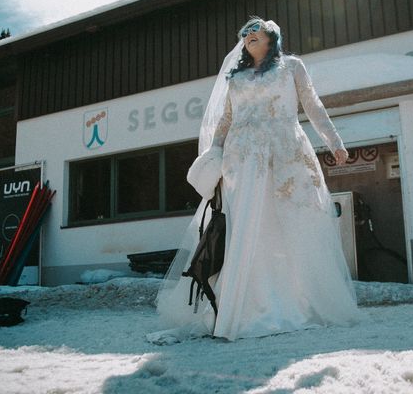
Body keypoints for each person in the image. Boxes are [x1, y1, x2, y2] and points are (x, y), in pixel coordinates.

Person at [148, 17, 362, 343]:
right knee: (245, 226)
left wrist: (335, 142)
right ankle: (240, 304)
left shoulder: (292, 67)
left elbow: (312, 106)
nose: (248, 37)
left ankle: (293, 301)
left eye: (255, 33)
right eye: (245, 34)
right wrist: (215, 154)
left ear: (271, 38)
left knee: (288, 223)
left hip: (284, 153)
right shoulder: (237, 78)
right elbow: (225, 120)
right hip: (242, 158)